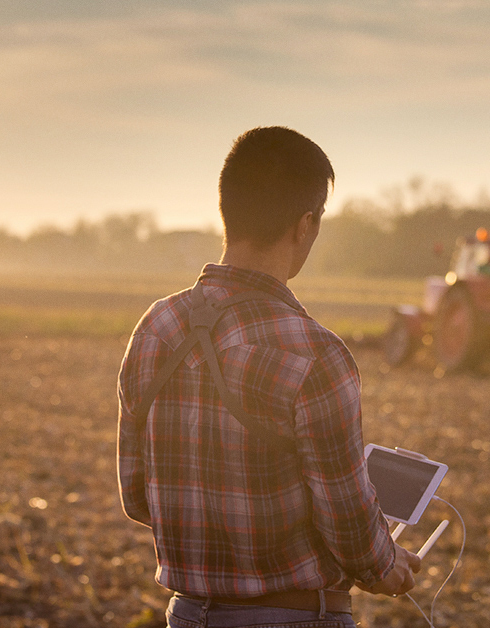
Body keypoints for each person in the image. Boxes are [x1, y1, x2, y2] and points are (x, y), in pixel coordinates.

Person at [117, 126, 420, 628]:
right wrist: (385, 565)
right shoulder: (315, 353)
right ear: (305, 225)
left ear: (227, 209)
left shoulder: (155, 328)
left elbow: (136, 496)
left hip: (187, 616)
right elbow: (347, 523)